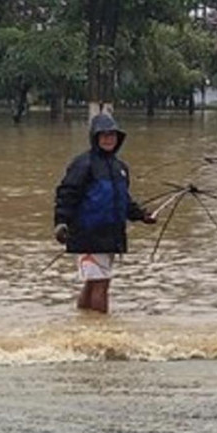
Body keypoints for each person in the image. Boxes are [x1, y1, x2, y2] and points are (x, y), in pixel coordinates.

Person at [53, 112, 156, 315]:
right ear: (95, 137)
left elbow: (124, 201)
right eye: (104, 135)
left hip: (112, 235)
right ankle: (101, 329)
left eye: (112, 135)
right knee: (100, 285)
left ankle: (85, 323)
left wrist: (141, 215)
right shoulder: (83, 164)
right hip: (89, 233)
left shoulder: (120, 168)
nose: (109, 139)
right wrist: (61, 222)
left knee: (94, 284)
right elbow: (67, 193)